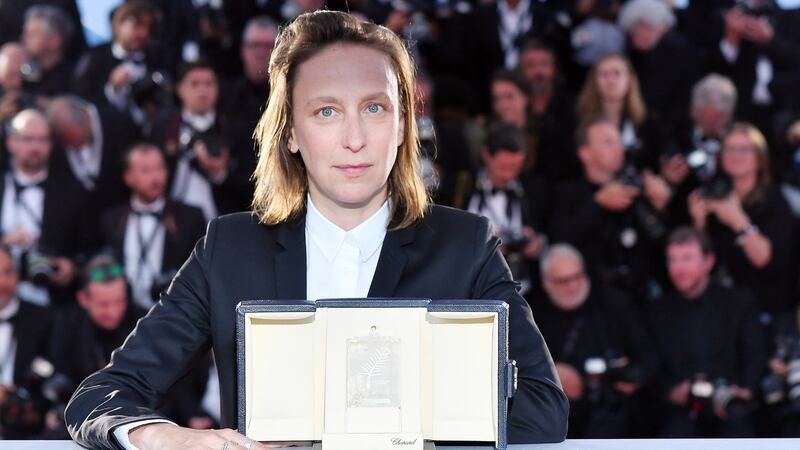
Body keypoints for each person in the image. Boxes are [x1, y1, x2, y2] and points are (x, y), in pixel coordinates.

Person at [65, 11, 568, 450]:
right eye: (326, 111)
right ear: (290, 133)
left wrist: (373, 419)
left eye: (375, 108)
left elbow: (543, 409)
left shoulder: (466, 246)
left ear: (401, 125)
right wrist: (161, 436)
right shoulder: (230, 249)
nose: (354, 139)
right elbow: (99, 397)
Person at [647, 226, 765, 437]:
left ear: (708, 261)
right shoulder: (656, 311)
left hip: (731, 405)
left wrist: (745, 390)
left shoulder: (738, 302)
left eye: (686, 258)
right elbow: (649, 362)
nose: (678, 268)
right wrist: (671, 391)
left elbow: (756, 352)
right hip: (680, 412)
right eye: (672, 259)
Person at [533, 244, 657, 438]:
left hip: (614, 411)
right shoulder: (532, 315)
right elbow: (514, 363)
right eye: (563, 281)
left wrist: (631, 374)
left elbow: (648, 356)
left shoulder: (615, 304)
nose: (573, 286)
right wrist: (551, 373)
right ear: (546, 283)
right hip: (558, 414)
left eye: (577, 276)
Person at [688, 122, 796, 318]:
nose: (736, 155)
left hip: (766, 308)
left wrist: (738, 220)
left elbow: (766, 260)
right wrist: (699, 222)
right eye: (730, 149)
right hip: (723, 310)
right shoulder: (714, 194)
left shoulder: (775, 201)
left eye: (744, 149)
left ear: (759, 158)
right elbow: (700, 262)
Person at [100, 143, 206, 309]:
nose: (156, 177)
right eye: (146, 171)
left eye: (160, 168)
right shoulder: (111, 219)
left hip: (173, 313)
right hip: (124, 316)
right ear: (128, 177)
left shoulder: (189, 217)